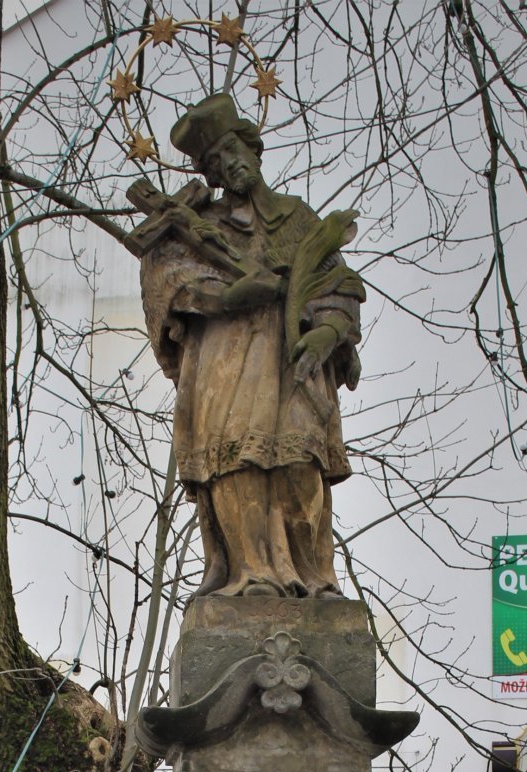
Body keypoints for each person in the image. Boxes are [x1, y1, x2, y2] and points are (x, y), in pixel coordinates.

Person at [136, 93, 365, 599]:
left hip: (292, 363)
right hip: (227, 360)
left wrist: (327, 332)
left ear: (253, 149)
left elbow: (338, 284)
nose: (230, 164)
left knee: (299, 461)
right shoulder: (203, 227)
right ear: (210, 173)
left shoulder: (297, 218)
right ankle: (251, 573)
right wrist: (227, 296)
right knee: (237, 458)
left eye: (235, 150)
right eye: (216, 161)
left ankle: (313, 577)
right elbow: (167, 282)